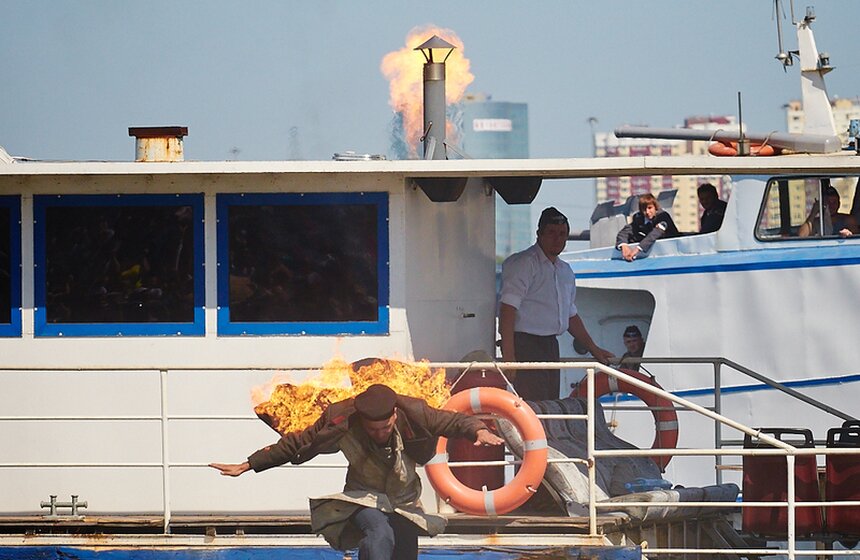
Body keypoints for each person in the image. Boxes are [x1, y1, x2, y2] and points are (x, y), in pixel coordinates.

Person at [210, 384, 504, 559]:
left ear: (394, 416)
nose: (379, 433)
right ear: (361, 421)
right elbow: (298, 442)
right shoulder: (340, 420)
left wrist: (478, 429)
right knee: (379, 533)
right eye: (372, 429)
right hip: (364, 497)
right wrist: (248, 464)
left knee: (403, 547)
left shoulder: (414, 412)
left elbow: (452, 422)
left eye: (385, 427)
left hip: (404, 500)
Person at [499, 207, 613, 401]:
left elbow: (570, 314)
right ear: (539, 234)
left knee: (550, 402)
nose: (557, 239)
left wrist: (593, 348)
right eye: (551, 232)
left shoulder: (565, 271)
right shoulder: (524, 264)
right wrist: (509, 358)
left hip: (550, 345)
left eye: (562, 234)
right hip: (526, 344)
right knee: (534, 404)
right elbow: (507, 310)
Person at [615, 193, 679, 262]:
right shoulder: (638, 218)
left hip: (672, 249)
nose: (647, 212)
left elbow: (655, 233)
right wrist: (624, 246)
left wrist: (637, 250)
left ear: (655, 207)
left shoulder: (663, 216)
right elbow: (625, 232)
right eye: (644, 209)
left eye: (650, 208)